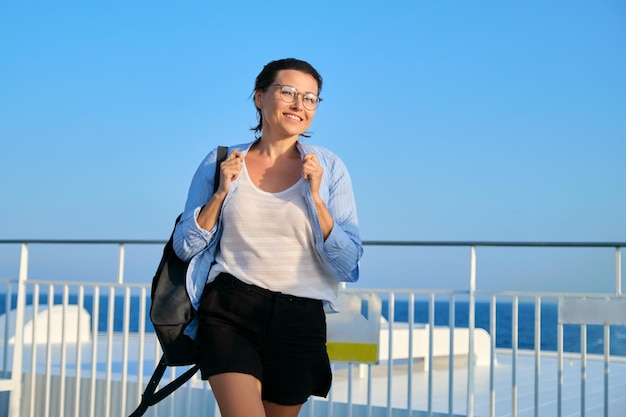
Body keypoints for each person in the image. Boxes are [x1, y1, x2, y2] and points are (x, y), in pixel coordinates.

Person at [173, 58, 362, 417]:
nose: (299, 105)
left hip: (300, 317)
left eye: (310, 98)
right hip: (231, 309)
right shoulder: (221, 162)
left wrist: (317, 198)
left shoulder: (330, 168)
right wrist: (220, 195)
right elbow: (185, 246)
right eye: (288, 92)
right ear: (260, 97)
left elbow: (348, 263)